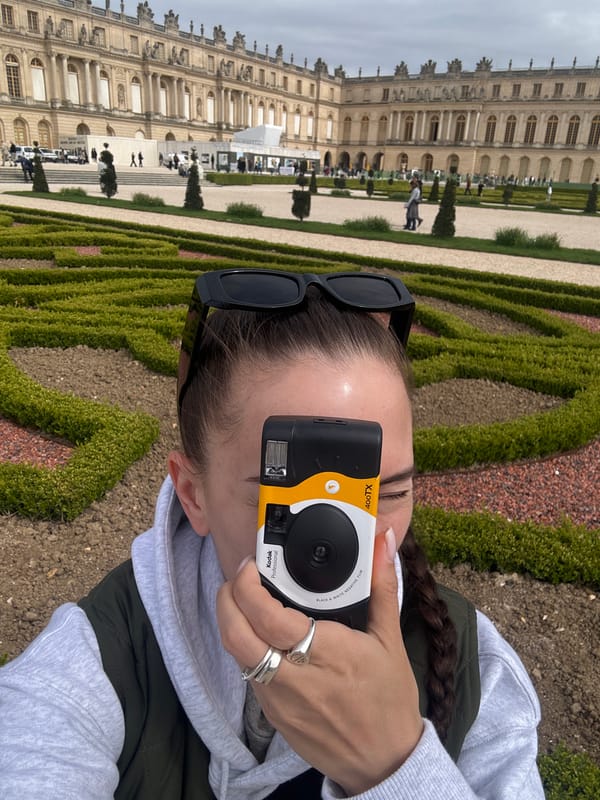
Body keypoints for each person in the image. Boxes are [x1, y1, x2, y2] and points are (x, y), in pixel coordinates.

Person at [0, 268, 544, 798]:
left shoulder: (479, 670)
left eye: (387, 493)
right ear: (194, 495)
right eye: (289, 500)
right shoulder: (98, 659)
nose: (342, 536)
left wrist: (395, 767)